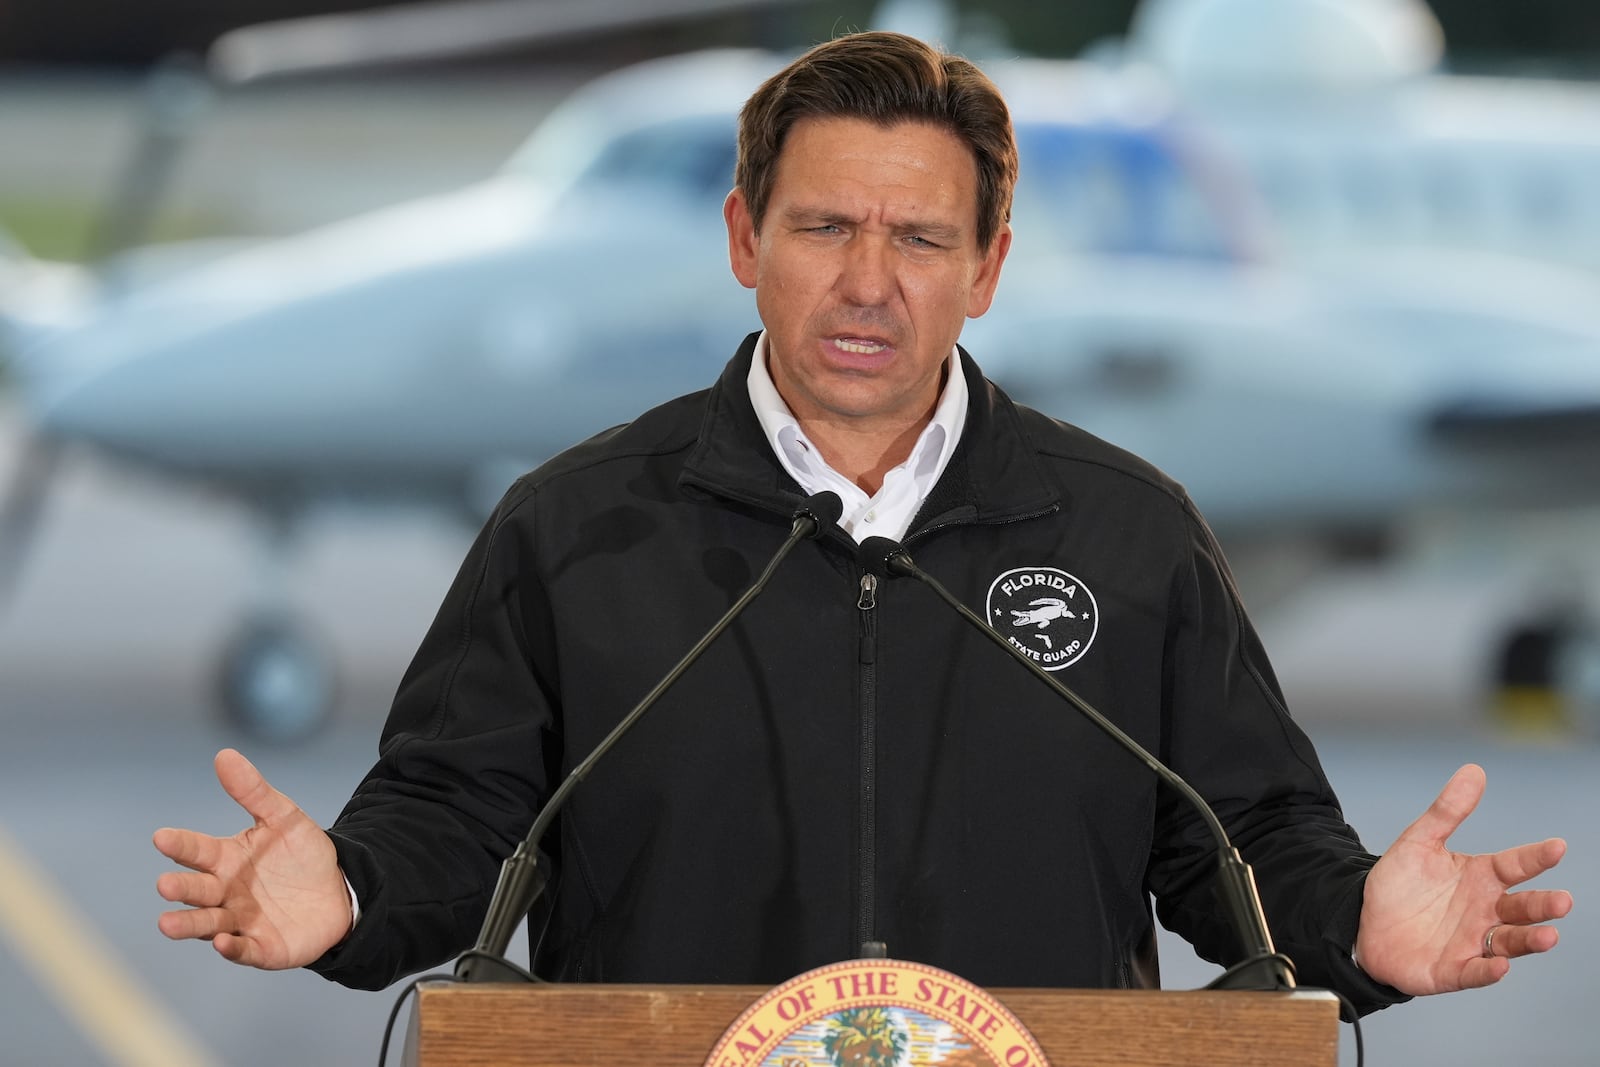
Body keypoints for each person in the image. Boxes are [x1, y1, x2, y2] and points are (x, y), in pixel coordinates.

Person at [154, 31, 1569, 1014]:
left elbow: (1244, 836)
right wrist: (343, 895)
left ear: (989, 268)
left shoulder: (1130, 533)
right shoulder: (575, 529)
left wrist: (1362, 929)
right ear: (742, 241)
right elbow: (452, 822)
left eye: (922, 239)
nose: (870, 283)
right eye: (826, 228)